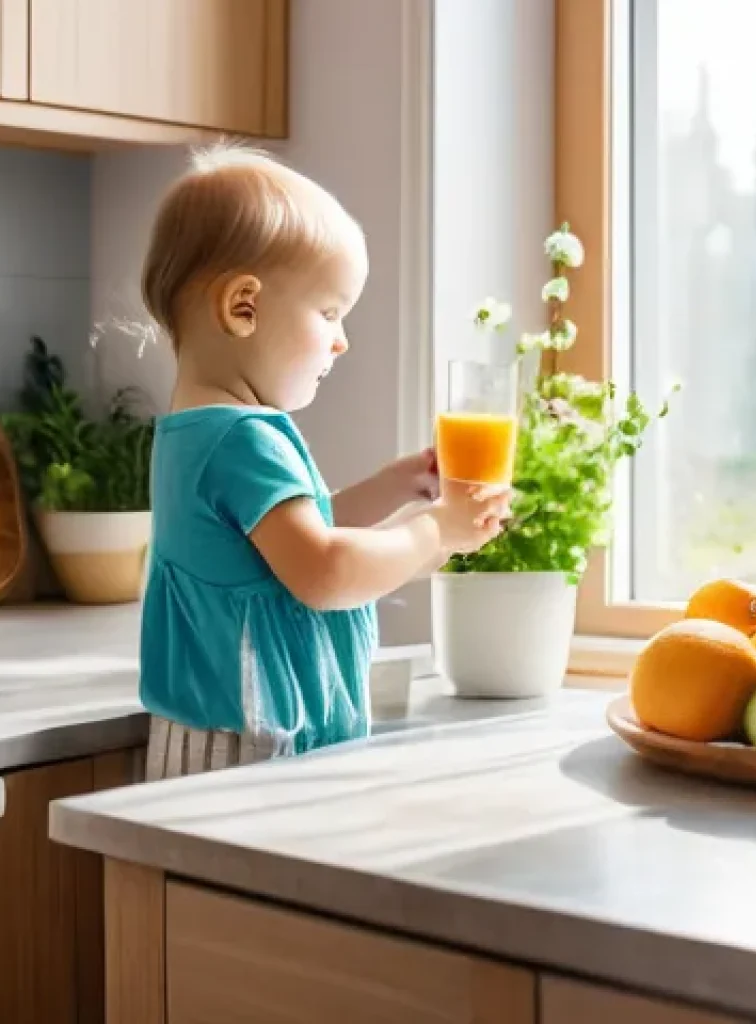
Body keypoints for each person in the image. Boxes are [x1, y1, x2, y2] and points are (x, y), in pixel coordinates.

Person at [137, 143, 510, 780]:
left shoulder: (199, 433)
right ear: (243, 307)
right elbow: (324, 572)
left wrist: (404, 486)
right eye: (330, 312)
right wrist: (434, 530)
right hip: (252, 753)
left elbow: (294, 545)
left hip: (220, 745)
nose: (342, 339)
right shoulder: (242, 438)